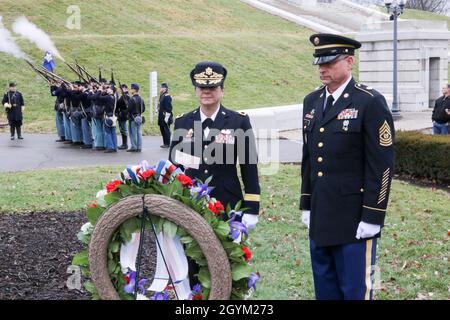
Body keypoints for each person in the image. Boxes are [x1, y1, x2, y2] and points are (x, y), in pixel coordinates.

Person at [300, 34, 395, 300]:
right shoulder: (312, 101)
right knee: (325, 291)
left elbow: (382, 165)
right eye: (319, 62)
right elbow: (309, 157)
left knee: (355, 291)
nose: (322, 68)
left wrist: (373, 215)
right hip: (321, 215)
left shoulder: (369, 101)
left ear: (349, 61)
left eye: (330, 62)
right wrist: (306, 203)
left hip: (354, 219)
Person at [169, 61, 261, 285]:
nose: (206, 92)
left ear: (222, 90)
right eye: (202, 88)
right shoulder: (183, 121)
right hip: (190, 205)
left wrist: (251, 210)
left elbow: (249, 166)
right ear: (195, 90)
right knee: (192, 262)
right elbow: (174, 162)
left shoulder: (238, 121)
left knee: (226, 263)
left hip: (227, 205)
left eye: (212, 88)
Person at [127, 83, 145, 153]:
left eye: (131, 89)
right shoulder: (141, 99)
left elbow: (129, 109)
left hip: (133, 118)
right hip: (139, 117)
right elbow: (143, 109)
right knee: (139, 133)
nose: (131, 90)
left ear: (134, 90)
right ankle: (139, 147)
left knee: (133, 133)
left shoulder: (132, 99)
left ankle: (134, 147)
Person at [158, 82, 173, 148]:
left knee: (166, 129)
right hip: (161, 115)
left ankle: (167, 143)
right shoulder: (162, 95)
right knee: (162, 129)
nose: (160, 88)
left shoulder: (167, 96)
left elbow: (169, 108)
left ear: (164, 88)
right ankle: (165, 143)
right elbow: (160, 104)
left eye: (161, 87)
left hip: (166, 115)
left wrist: (167, 116)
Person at [116, 84, 130, 150]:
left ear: (126, 89)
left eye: (123, 88)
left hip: (123, 115)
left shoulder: (126, 96)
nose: (122, 90)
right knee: (122, 129)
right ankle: (124, 143)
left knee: (123, 129)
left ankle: (125, 144)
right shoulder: (123, 96)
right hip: (121, 114)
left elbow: (124, 104)